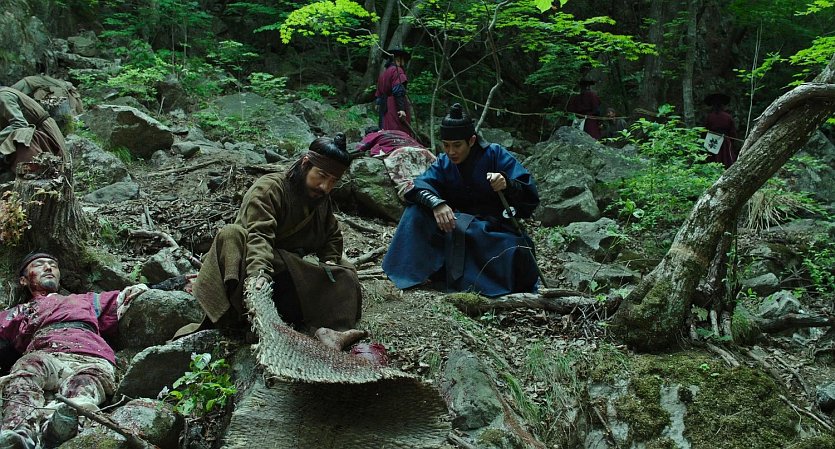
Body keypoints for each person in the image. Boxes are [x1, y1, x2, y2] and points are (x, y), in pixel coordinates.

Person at [190, 134, 366, 351]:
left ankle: (331, 330)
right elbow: (259, 235)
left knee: (346, 271)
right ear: (305, 164)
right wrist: (259, 274)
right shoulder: (270, 188)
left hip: (289, 272)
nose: (325, 186)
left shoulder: (321, 199)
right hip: (254, 265)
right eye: (321, 176)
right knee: (231, 235)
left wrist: (329, 261)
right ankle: (240, 319)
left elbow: (332, 235)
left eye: (333, 181)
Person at [382, 103, 541, 297]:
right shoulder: (444, 162)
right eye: (446, 145)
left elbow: (529, 194)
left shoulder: (495, 154)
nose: (451, 151)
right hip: (455, 223)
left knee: (514, 250)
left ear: (471, 140)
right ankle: (404, 274)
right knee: (416, 212)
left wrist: (507, 183)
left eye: (457, 145)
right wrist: (436, 203)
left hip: (492, 229)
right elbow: (419, 186)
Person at [0, 252, 149, 449]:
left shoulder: (86, 300)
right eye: (39, 264)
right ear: (23, 280)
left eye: (53, 265)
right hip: (46, 356)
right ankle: (18, 433)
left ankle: (57, 430)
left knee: (83, 386)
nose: (48, 267)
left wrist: (176, 283)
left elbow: (128, 296)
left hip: (92, 355)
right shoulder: (20, 311)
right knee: (26, 369)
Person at [0, 86, 67, 182]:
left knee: (21, 139)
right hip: (33, 134)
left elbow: (20, 124)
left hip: (41, 133)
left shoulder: (3, 96)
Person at [356, 126, 436, 200]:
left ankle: (426, 199)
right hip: (422, 151)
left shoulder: (372, 135)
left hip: (400, 152)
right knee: (434, 178)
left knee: (407, 184)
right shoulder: (400, 132)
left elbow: (360, 147)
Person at [374, 48, 412, 135]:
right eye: (403, 59)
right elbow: (398, 90)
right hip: (393, 107)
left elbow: (378, 95)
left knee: (385, 131)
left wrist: (379, 105)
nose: (404, 62)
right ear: (398, 59)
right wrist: (401, 109)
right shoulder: (397, 70)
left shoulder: (383, 74)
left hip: (384, 108)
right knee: (398, 132)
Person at [702, 93, 738, 169]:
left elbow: (704, 131)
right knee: (726, 160)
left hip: (713, 140)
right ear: (722, 105)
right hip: (723, 140)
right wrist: (731, 141)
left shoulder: (709, 117)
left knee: (714, 158)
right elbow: (732, 132)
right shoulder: (728, 117)